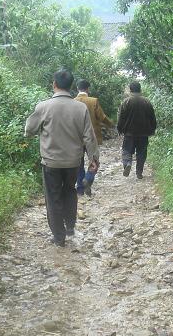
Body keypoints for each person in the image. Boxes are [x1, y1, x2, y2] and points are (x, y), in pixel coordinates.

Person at [25, 69, 98, 247]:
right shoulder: (80, 108)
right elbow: (89, 136)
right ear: (71, 86)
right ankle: (70, 227)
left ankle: (59, 237)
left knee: (53, 197)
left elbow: (29, 131)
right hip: (74, 161)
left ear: (54, 84)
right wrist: (93, 159)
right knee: (70, 192)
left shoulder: (43, 106)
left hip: (51, 162)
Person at [74, 79, 112, 196]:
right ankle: (88, 178)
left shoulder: (72, 102)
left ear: (77, 88)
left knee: (79, 162)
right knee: (94, 160)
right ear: (88, 89)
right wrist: (111, 124)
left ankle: (80, 189)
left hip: (76, 137)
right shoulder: (93, 101)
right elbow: (102, 117)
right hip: (92, 137)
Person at [116, 81, 157, 179]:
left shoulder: (126, 101)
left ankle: (127, 163)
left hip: (129, 133)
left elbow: (121, 117)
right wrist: (152, 129)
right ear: (140, 89)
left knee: (126, 150)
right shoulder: (146, 101)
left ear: (130, 90)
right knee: (141, 152)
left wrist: (119, 129)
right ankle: (139, 172)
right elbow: (152, 117)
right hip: (143, 133)